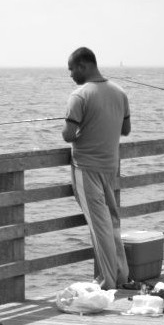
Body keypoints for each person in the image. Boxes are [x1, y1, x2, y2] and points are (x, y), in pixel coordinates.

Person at [61, 47, 139, 290]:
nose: (71, 75)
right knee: (112, 222)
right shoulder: (120, 92)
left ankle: (107, 281)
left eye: (72, 69)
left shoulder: (79, 96)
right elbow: (126, 130)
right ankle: (122, 275)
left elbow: (68, 135)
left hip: (86, 167)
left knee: (99, 225)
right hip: (110, 167)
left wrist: (80, 127)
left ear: (83, 66)